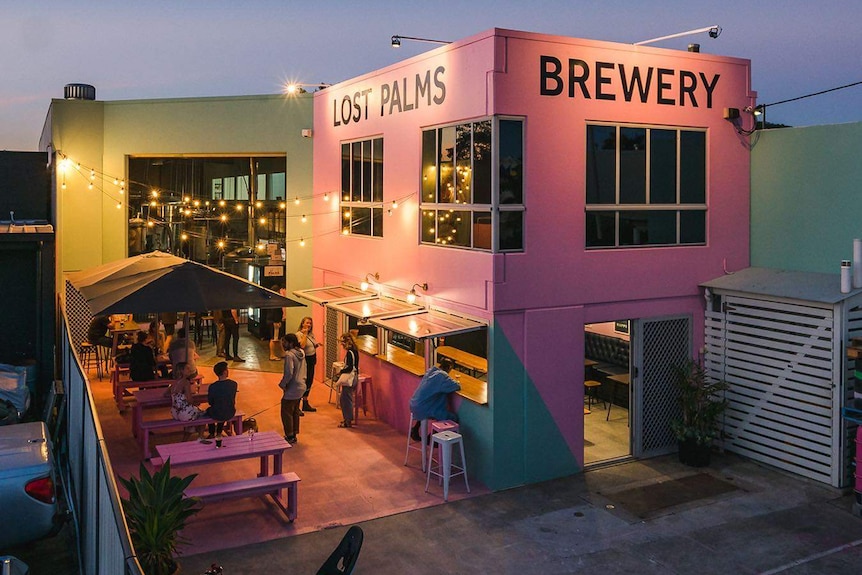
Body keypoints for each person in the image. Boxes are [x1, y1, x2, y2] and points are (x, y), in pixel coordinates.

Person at [409, 357, 461, 441]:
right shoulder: (442, 376)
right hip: (425, 408)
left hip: (414, 404)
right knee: (452, 418)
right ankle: (432, 439)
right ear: (449, 368)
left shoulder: (430, 371)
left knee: (430, 406)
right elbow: (456, 386)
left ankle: (416, 429)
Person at [278, 333, 307, 444]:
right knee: (295, 410)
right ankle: (294, 433)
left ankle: (289, 435)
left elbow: (289, 372)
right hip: (301, 386)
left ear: (290, 343)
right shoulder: (302, 353)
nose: (283, 344)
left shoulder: (289, 355)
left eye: (284, 342)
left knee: (286, 412)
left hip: (292, 387)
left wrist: (283, 384)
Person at [205, 361, 238, 438]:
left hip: (216, 413)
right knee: (224, 406)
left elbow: (210, 402)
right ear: (225, 372)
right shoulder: (234, 384)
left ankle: (212, 432)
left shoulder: (213, 386)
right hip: (230, 411)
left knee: (211, 410)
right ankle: (219, 431)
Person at [296, 316, 321, 413]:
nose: (309, 325)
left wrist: (316, 345)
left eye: (310, 323)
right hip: (304, 360)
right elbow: (302, 345)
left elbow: (312, 344)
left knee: (309, 381)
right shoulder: (299, 334)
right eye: (307, 323)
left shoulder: (311, 334)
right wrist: (305, 334)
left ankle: (305, 403)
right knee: (302, 382)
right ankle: (297, 405)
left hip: (312, 359)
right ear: (302, 323)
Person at [337, 332, 359, 429]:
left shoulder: (349, 353)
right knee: (346, 398)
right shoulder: (355, 351)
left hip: (350, 378)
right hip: (355, 377)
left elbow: (349, 368)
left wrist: (341, 371)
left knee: (345, 399)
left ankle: (348, 420)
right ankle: (347, 419)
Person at [269, 286, 284, 361]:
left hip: (273, 320)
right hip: (275, 322)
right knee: (274, 339)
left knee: (278, 338)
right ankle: (272, 355)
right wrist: (277, 321)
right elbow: (275, 312)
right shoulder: (275, 300)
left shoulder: (271, 299)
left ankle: (282, 352)